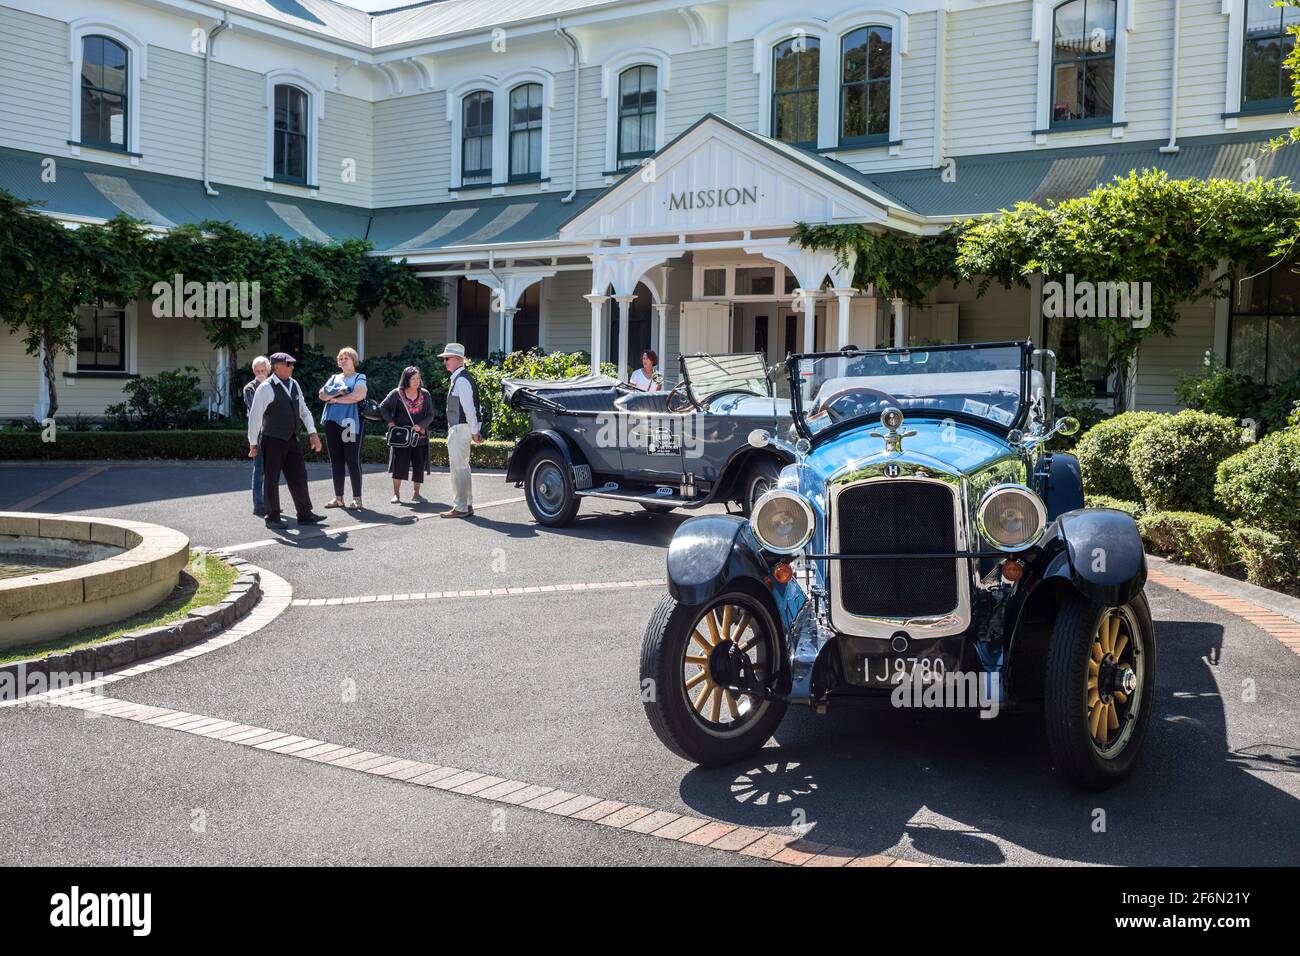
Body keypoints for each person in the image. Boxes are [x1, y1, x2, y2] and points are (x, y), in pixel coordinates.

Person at [246, 352, 325, 529]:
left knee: (299, 475)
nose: (292, 367)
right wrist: (253, 442)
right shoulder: (265, 388)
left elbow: (303, 410)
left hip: (292, 439)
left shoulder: (294, 384)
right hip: (272, 439)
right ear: (277, 367)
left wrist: (313, 433)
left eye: (292, 364)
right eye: (288, 364)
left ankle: (304, 514)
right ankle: (272, 517)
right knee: (271, 478)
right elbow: (255, 417)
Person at [318, 347, 368, 510]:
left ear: (353, 360)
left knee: (352, 460)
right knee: (336, 461)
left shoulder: (360, 377)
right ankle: (339, 498)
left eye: (346, 358)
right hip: (331, 422)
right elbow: (322, 395)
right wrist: (337, 396)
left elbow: (358, 395)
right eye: (340, 358)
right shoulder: (334, 377)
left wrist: (335, 399)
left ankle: (357, 499)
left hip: (349, 423)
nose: (342, 361)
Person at [439, 343, 483, 519]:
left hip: (460, 428)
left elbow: (469, 409)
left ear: (458, 360)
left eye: (447, 358)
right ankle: (466, 504)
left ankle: (461, 507)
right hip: (461, 427)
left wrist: (475, 431)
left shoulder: (462, 379)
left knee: (459, 468)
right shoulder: (461, 378)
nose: (445, 362)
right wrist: (474, 430)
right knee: (462, 467)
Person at [379, 366, 435, 504]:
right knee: (399, 466)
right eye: (413, 379)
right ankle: (396, 494)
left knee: (418, 466)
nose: (416, 381)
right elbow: (383, 407)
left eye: (418, 378)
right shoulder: (397, 393)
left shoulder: (425, 394)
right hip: (401, 437)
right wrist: (391, 422)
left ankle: (416, 494)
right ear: (406, 380)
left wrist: (421, 425)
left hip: (419, 437)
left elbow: (431, 415)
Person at [242, 355, 271, 517]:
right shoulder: (249, 388)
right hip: (258, 433)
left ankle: (270, 504)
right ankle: (258, 505)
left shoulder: (274, 384)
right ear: (253, 371)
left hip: (273, 432)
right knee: (259, 469)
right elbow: (256, 410)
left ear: (268, 371)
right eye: (257, 370)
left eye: (263, 370)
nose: (260, 373)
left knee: (271, 470)